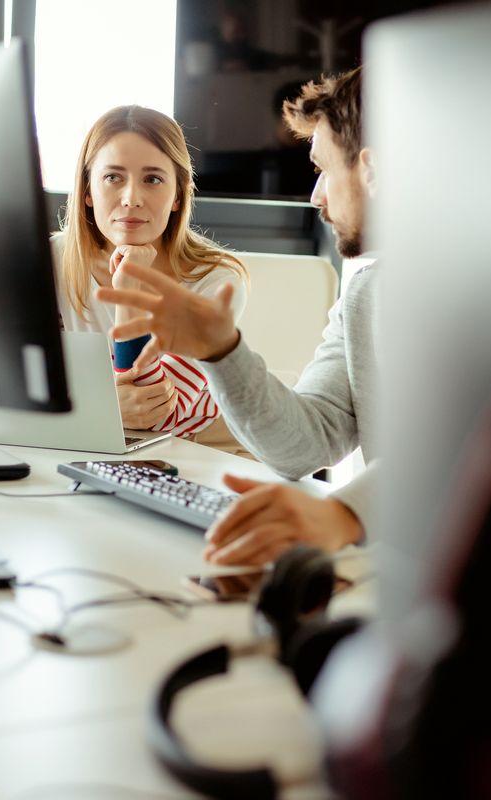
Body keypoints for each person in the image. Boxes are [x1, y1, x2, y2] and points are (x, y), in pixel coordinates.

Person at [95, 69, 379, 565]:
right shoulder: (366, 297)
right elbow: (304, 445)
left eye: (323, 169)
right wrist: (221, 351)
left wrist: (345, 514)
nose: (316, 197)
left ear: (372, 170)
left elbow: (471, 448)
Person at [53, 105, 251, 455]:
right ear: (87, 191)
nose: (132, 199)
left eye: (153, 179)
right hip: (92, 442)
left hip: (205, 448)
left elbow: (152, 416)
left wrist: (129, 287)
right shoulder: (50, 260)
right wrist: (102, 404)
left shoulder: (217, 280)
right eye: (113, 177)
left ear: (178, 195)